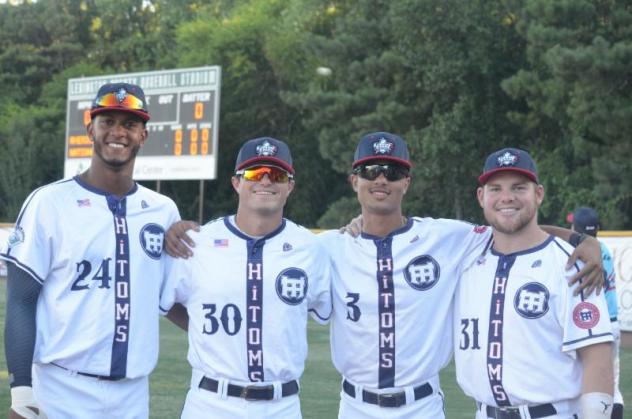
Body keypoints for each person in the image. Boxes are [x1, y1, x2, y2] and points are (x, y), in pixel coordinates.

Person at [319, 134, 604, 419]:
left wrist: (582, 240)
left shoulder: (445, 237)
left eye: (392, 172)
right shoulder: (331, 247)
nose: (381, 179)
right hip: (355, 406)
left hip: (421, 406)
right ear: (355, 181)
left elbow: (511, 225)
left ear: (406, 182)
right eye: (370, 171)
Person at [1, 82, 181, 419]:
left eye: (129, 124)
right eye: (107, 122)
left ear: (143, 135)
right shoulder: (50, 202)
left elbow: (176, 298)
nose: (118, 132)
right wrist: (22, 393)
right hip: (60, 389)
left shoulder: (162, 210)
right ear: (90, 129)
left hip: (133, 394)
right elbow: (21, 301)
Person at [159, 137, 332, 418]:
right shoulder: (198, 242)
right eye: (253, 173)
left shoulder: (312, 248)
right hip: (211, 402)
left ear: (290, 186)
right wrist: (201, 327)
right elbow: (165, 301)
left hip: (282, 404)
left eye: (276, 175)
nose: (265, 181)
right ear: (236, 182)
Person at [454, 148, 614, 418]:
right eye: (495, 189)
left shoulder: (572, 264)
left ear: (538, 194)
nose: (507, 197)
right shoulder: (464, 254)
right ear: (481, 197)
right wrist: (358, 224)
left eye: (518, 188)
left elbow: (596, 357)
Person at [572, 206, 624, 419]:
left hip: (593, 325)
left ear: (574, 228)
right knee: (612, 386)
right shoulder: (601, 248)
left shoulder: (580, 253)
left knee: (586, 385)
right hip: (612, 322)